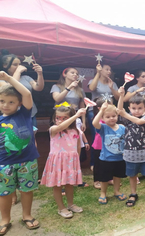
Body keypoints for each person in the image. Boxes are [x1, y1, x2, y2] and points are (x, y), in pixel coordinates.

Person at [0, 71, 40, 233]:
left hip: (27, 160)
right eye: (2, 101)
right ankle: (5, 219)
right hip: (4, 163)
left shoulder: (24, 113)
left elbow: (27, 93)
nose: (5, 105)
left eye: (11, 102)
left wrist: (8, 78)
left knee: (27, 190)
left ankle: (27, 215)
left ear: (19, 103)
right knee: (4, 193)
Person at [41, 104, 86, 218]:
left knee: (69, 184)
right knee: (57, 185)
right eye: (58, 118)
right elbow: (60, 127)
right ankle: (61, 208)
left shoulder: (76, 131)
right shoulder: (53, 130)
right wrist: (76, 115)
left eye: (64, 118)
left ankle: (70, 204)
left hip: (71, 162)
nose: (60, 121)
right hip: (58, 162)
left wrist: (77, 162)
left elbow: (78, 147)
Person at [92, 101, 126, 205]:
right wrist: (101, 110)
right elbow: (94, 123)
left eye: (113, 116)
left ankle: (116, 191)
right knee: (104, 178)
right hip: (106, 159)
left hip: (119, 158)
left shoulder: (122, 128)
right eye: (107, 117)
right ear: (103, 118)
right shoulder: (103, 128)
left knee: (117, 176)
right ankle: (103, 193)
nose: (111, 118)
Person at [0, 50, 44, 127]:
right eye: (15, 64)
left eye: (19, 64)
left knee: (31, 136)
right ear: (5, 65)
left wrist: (40, 74)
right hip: (12, 114)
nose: (18, 67)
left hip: (30, 113)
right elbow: (9, 88)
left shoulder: (26, 78)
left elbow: (38, 88)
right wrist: (18, 72)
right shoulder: (2, 79)